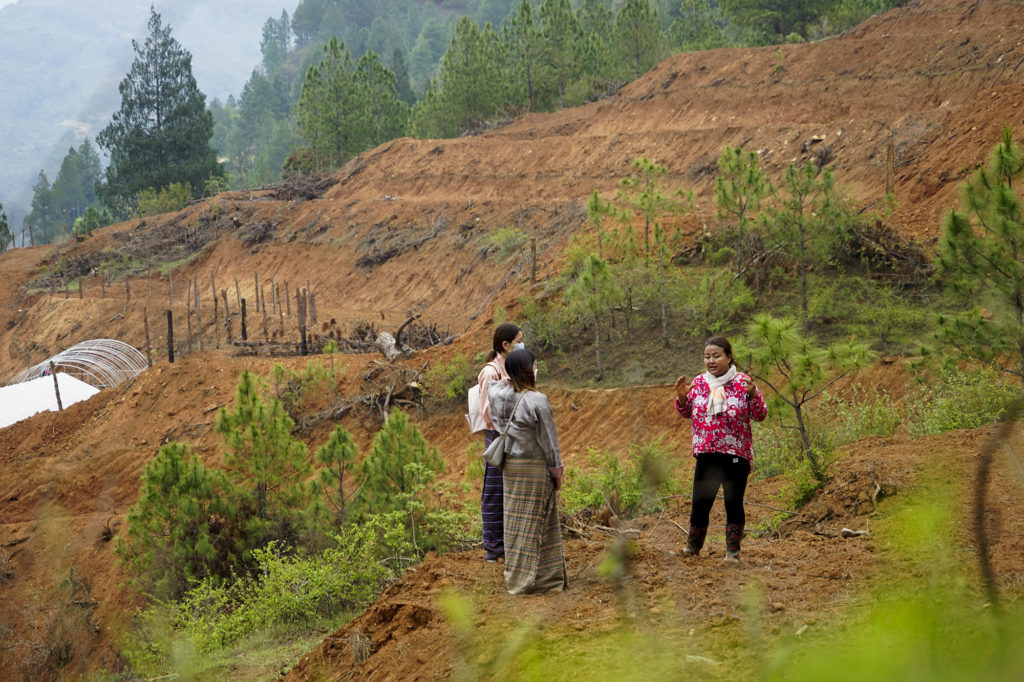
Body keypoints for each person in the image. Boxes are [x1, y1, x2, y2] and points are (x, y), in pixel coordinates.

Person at [674, 336, 767, 563]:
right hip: (707, 454)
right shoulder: (699, 383)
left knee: (733, 503)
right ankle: (693, 548)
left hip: (736, 455)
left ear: (729, 357)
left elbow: (760, 415)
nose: (711, 361)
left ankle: (732, 552)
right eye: (707, 357)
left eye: (716, 356)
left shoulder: (743, 383)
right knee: (700, 502)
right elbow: (686, 413)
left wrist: (754, 395)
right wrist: (682, 397)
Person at [488, 348, 567, 594]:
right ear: (528, 371)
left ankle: (516, 578)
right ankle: (544, 580)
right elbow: (549, 442)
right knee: (541, 523)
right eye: (533, 366)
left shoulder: (497, 394)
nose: (536, 369)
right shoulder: (538, 401)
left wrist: (508, 375)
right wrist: (557, 473)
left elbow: (500, 384)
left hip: (511, 468)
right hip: (534, 468)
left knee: (515, 525)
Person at [476, 323, 523, 562]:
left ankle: (509, 545)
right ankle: (494, 550)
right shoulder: (491, 372)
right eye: (519, 340)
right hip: (498, 436)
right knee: (494, 491)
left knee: (512, 491)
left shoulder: (513, 367)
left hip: (514, 434)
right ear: (506, 345)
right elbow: (488, 411)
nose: (522, 345)